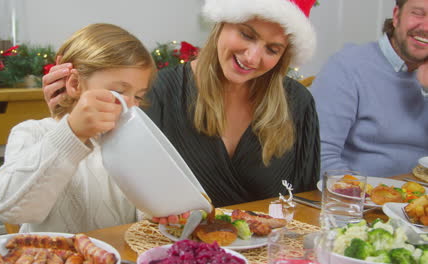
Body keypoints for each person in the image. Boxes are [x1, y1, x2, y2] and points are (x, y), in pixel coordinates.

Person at [43, 0, 321, 209]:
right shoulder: (159, 91)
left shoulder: (297, 103)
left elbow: (305, 202)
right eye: (246, 35)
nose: (252, 57)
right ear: (221, 23)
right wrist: (67, 109)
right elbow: (108, 173)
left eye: (272, 49)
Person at [0, 23, 165, 233]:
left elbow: (145, 215)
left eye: (138, 96)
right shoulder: (32, 133)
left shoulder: (131, 145)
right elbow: (10, 209)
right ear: (75, 84)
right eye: (118, 91)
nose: (130, 106)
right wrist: (72, 133)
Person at [310, 0, 428, 178]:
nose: (426, 27)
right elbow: (319, 155)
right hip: (362, 199)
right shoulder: (347, 66)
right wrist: (362, 196)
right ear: (396, 16)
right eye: (418, 13)